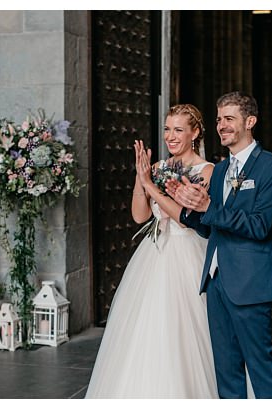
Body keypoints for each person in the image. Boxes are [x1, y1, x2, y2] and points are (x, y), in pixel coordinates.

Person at [85, 105, 216, 398]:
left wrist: (150, 186)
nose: (170, 136)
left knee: (187, 330)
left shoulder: (207, 171)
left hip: (188, 253)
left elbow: (185, 216)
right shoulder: (157, 168)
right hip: (154, 255)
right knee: (146, 326)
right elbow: (140, 215)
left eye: (179, 130)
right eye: (167, 129)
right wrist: (140, 177)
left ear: (195, 133)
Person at [171, 91, 272, 398]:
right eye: (219, 119)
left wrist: (208, 207)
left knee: (260, 366)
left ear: (250, 121)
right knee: (225, 368)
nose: (221, 125)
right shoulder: (220, 169)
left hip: (250, 282)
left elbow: (260, 226)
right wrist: (189, 208)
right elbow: (211, 227)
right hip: (216, 280)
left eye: (229, 119)